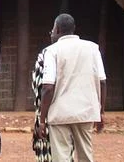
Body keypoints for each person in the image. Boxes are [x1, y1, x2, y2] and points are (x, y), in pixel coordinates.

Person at [36, 14, 105, 162]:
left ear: (57, 29)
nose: (52, 33)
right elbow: (102, 81)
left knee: (61, 157)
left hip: (59, 113)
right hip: (86, 111)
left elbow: (48, 87)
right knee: (86, 156)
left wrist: (42, 120)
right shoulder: (93, 48)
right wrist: (101, 112)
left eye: (53, 29)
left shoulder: (52, 51)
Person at [31, 46, 52, 162]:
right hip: (69, 112)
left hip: (48, 112)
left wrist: (42, 120)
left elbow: (41, 88)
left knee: (46, 150)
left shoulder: (45, 55)